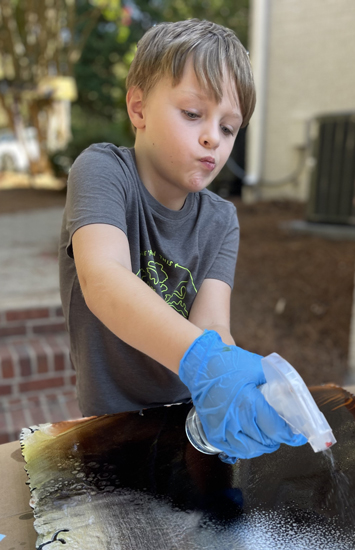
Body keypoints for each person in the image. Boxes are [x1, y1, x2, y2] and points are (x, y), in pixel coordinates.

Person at [59, 19, 306, 460]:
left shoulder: (221, 218)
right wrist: (205, 363)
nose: (213, 136)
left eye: (229, 128)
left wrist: (232, 390)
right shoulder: (102, 171)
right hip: (110, 423)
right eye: (193, 114)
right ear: (138, 108)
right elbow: (104, 277)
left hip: (190, 416)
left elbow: (212, 324)